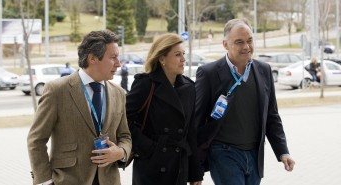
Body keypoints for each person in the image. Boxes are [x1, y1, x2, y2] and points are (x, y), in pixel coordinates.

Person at [195, 18, 295, 185]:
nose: (246, 47)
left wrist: (283, 152)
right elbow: (197, 121)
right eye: (239, 42)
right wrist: (195, 167)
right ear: (225, 44)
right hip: (223, 152)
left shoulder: (264, 70)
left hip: (255, 154)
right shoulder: (208, 73)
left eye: (249, 41)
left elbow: (271, 115)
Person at [27, 30, 132, 185]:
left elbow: (125, 136)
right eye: (113, 57)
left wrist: (121, 152)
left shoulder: (118, 93)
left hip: (109, 180)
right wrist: (46, 181)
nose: (118, 63)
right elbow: (36, 140)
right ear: (93, 58)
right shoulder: (57, 90)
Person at [126, 33, 202, 185]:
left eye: (183, 54)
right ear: (162, 59)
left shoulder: (189, 88)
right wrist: (148, 148)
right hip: (152, 167)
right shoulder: (145, 84)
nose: (183, 59)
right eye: (177, 55)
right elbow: (124, 120)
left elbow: (191, 132)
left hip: (179, 166)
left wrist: (195, 173)